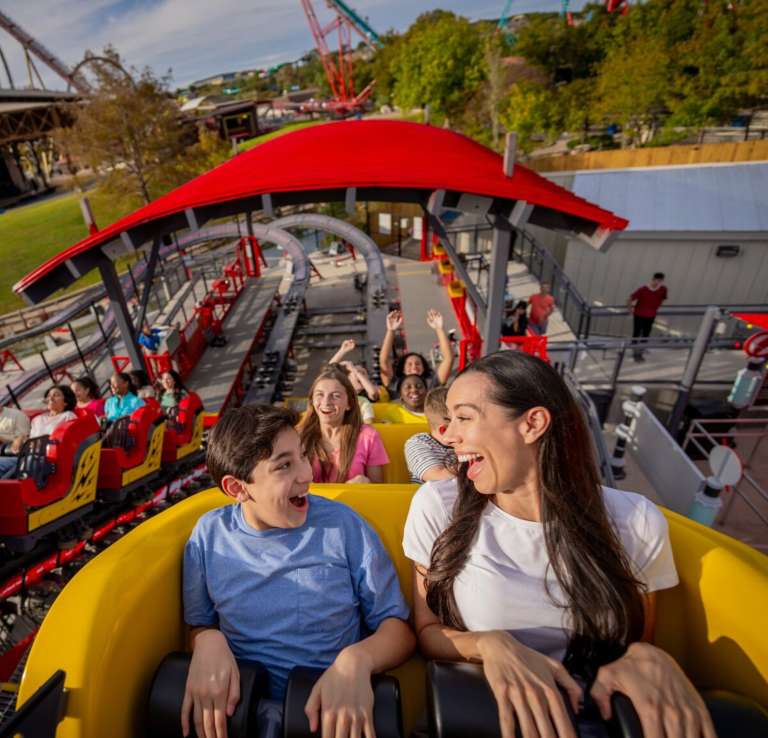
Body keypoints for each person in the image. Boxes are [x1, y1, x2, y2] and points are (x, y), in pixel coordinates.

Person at [402, 351, 714, 738]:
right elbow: (429, 630)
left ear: (532, 423)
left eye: (463, 417)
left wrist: (646, 657)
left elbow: (636, 641)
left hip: (592, 713)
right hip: (482, 710)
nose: (447, 435)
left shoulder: (636, 522)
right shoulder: (438, 507)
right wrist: (490, 646)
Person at [182, 404, 414, 738]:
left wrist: (357, 660)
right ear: (237, 488)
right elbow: (199, 623)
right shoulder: (208, 537)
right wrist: (206, 639)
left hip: (328, 715)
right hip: (243, 711)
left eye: (303, 456)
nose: (306, 474)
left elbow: (400, 632)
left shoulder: (343, 525)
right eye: (284, 466)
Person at [298, 366, 389, 484]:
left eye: (335, 396)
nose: (326, 402)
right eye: (320, 394)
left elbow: (378, 487)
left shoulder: (368, 436)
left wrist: (365, 482)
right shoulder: (298, 436)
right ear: (312, 401)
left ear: (349, 404)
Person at [0, 385, 78, 479]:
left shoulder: (68, 416)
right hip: (29, 456)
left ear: (65, 402)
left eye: (56, 395)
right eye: (49, 395)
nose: (51, 398)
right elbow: (30, 442)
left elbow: (67, 441)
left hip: (50, 460)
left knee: (28, 463)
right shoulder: (38, 419)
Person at [379, 308, 453, 392]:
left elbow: (448, 359)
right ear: (403, 369)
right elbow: (383, 361)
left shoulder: (432, 383)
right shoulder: (396, 384)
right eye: (409, 364)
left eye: (418, 364)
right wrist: (390, 330)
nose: (414, 367)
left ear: (424, 368)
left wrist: (439, 329)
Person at [404, 386, 455, 483]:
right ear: (444, 430)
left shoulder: (470, 440)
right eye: (464, 420)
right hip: (434, 496)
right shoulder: (418, 443)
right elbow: (437, 476)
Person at [628, 273, 668, 361]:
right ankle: (634, 349)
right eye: (657, 280)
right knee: (637, 331)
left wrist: (656, 306)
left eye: (660, 281)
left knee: (646, 332)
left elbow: (663, 298)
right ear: (653, 279)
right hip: (639, 313)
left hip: (651, 314)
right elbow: (631, 298)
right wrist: (630, 308)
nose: (658, 283)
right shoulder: (643, 289)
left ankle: (642, 348)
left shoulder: (663, 289)